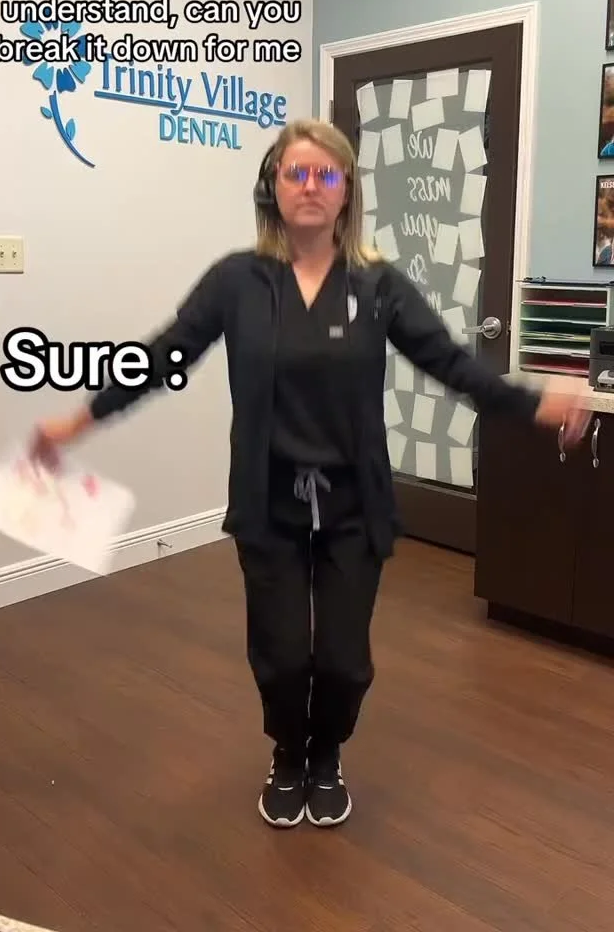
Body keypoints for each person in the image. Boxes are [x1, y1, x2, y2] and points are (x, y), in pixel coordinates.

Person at [30, 118, 589, 830]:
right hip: (270, 507)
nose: (311, 186)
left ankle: (327, 754)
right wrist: (81, 419)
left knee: (346, 663)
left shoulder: (377, 285)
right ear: (272, 187)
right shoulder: (237, 281)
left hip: (355, 508)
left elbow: (451, 363)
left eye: (327, 174)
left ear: (347, 190)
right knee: (284, 657)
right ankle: (289, 754)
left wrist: (532, 402)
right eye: (296, 172)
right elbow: (165, 355)